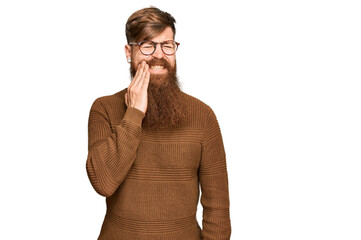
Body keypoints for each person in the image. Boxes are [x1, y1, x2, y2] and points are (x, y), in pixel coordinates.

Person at [86, 7, 231, 240]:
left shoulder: (203, 116)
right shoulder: (103, 109)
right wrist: (134, 112)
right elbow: (103, 183)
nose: (159, 55)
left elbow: (218, 212)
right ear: (128, 52)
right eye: (147, 45)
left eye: (167, 45)